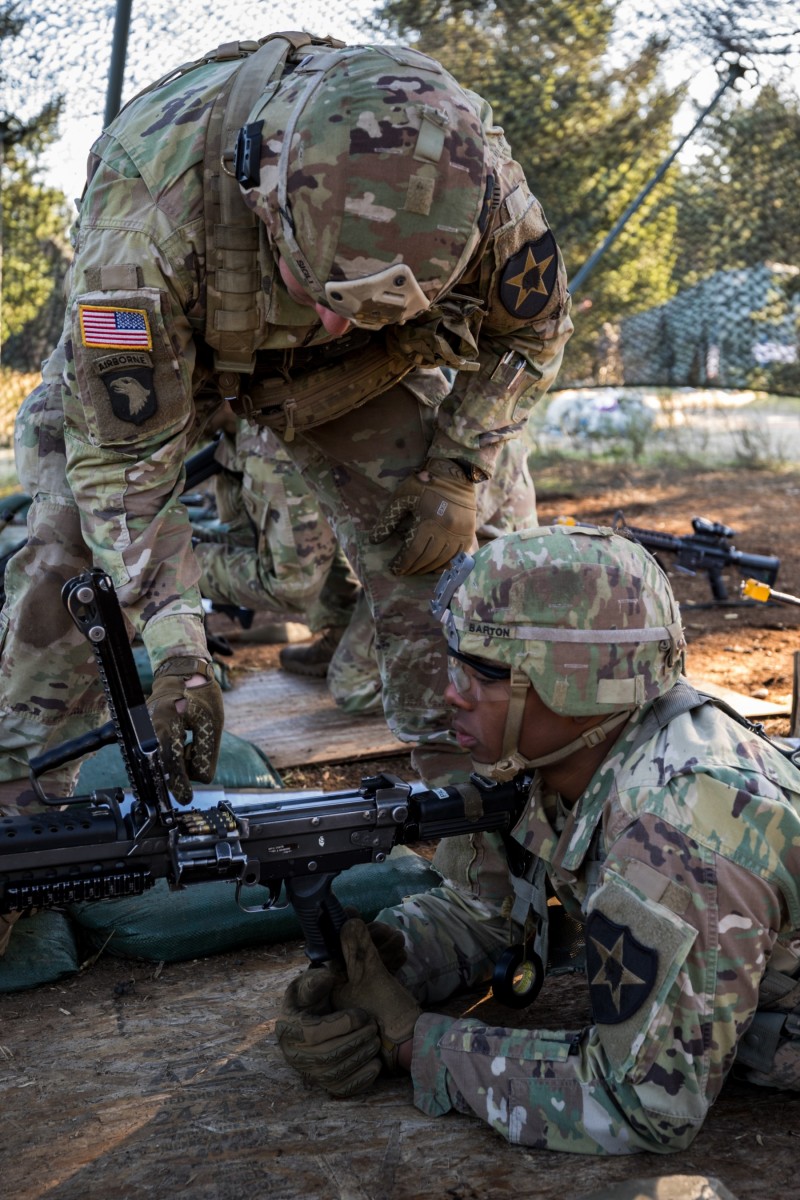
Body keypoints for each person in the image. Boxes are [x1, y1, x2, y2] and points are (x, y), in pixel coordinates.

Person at [0, 31, 571, 808]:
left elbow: (534, 332)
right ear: (261, 185)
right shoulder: (142, 231)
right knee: (69, 558)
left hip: (369, 371)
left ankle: (477, 833)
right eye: (321, 292)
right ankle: (19, 820)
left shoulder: (481, 184)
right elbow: (121, 467)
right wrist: (179, 650)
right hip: (181, 345)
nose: (337, 323)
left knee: (445, 571)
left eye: (361, 306)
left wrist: (457, 468)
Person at [275, 524, 800, 1153]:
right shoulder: (547, 761)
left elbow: (638, 1103)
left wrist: (417, 1043)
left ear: (577, 685)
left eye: (486, 673)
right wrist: (396, 964)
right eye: (455, 663)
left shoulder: (679, 825)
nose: (451, 693)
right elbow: (491, 911)